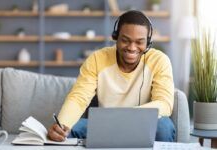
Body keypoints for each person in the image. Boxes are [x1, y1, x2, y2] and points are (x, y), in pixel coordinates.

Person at [47, 10, 175, 142]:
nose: (132, 47)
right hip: (105, 125)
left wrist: (127, 116)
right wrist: (62, 125)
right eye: (125, 40)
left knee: (164, 126)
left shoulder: (159, 60)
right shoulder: (97, 59)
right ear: (116, 37)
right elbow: (79, 98)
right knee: (69, 130)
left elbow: (164, 103)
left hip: (144, 125)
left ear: (148, 42)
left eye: (139, 42)